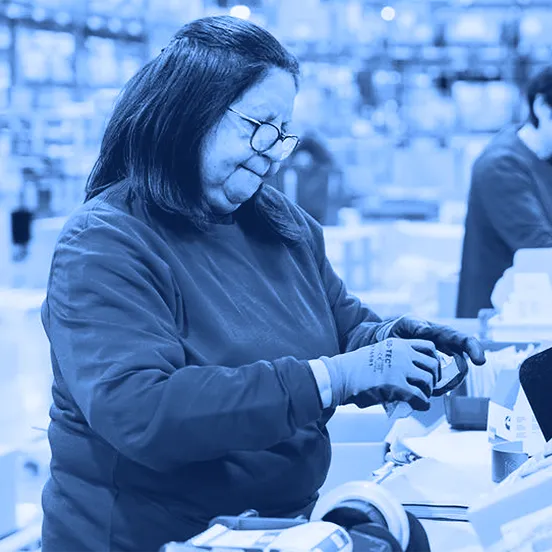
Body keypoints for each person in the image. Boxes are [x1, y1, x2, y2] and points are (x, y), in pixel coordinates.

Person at [40, 16, 486, 552]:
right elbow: (143, 411)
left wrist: (397, 344)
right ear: (189, 111)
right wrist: (331, 378)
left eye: (284, 133)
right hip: (155, 538)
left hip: (276, 531)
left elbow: (342, 325)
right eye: (260, 126)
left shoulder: (275, 220)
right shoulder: (107, 240)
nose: (275, 151)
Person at [457, 66, 552, 318]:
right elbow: (541, 250)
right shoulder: (501, 166)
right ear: (542, 106)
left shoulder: (543, 157)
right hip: (500, 327)